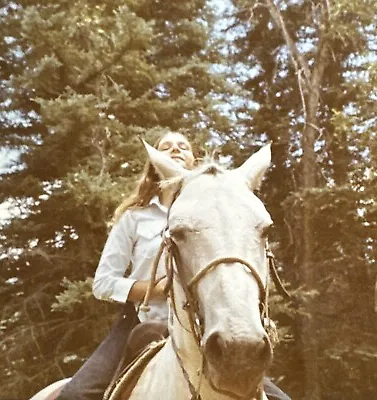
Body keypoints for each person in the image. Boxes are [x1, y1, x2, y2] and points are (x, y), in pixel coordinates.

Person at [56, 130, 290, 400]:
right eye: (166, 146)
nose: (175, 149)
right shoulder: (135, 218)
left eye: (183, 146)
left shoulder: (217, 214)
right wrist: (153, 289)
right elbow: (103, 283)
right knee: (74, 395)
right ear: (156, 166)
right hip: (141, 323)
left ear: (193, 160)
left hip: (206, 322)